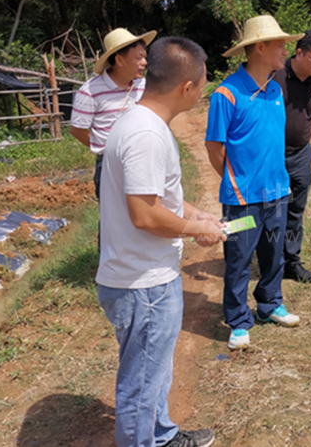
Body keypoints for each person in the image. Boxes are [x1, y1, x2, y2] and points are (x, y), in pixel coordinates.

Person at [96, 36, 225, 447]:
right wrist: (197, 231)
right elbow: (146, 215)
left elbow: (157, 196)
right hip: (142, 283)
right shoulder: (147, 136)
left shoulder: (141, 124)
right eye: (202, 84)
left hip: (147, 276)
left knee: (154, 370)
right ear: (187, 87)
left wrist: (196, 215)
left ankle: (162, 435)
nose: (202, 92)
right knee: (141, 382)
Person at [205, 15, 303, 351]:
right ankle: (237, 319)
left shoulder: (275, 89)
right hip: (242, 199)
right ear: (259, 48)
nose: (285, 51)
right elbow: (214, 148)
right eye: (280, 45)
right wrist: (237, 181)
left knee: (273, 254)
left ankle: (269, 304)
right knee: (238, 258)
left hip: (277, 194)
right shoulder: (227, 94)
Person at [271, 29, 311, 284]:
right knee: (271, 211)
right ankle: (270, 262)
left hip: (300, 156)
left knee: (296, 211)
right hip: (272, 156)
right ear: (299, 53)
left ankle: (292, 263)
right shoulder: (275, 75)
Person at [70, 28, 156, 199]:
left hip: (145, 161)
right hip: (110, 166)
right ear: (120, 60)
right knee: (113, 221)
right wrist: (107, 150)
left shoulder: (145, 86)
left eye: (145, 57)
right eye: (139, 57)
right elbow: (77, 130)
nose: (145, 62)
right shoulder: (90, 91)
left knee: (147, 218)